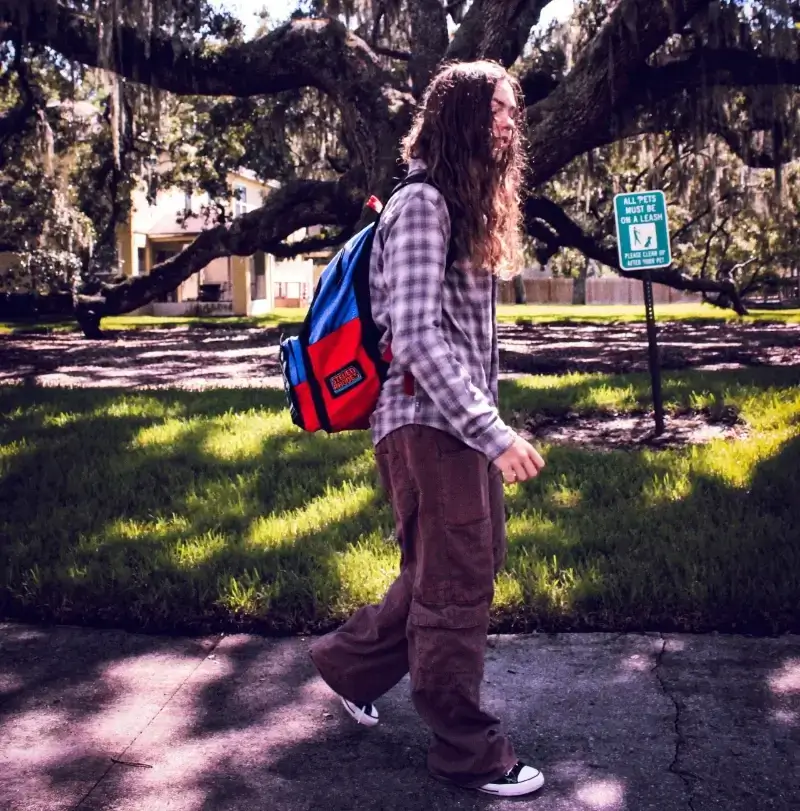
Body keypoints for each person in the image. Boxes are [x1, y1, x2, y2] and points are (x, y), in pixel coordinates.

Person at [309, 60, 546, 798]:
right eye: (498, 110)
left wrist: (487, 425)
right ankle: (467, 748)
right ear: (461, 115)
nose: (510, 123)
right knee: (455, 581)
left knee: (457, 563)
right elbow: (413, 335)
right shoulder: (422, 204)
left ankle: (351, 665)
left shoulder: (462, 202)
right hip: (427, 422)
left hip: (457, 421)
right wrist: (494, 431)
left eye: (513, 111)